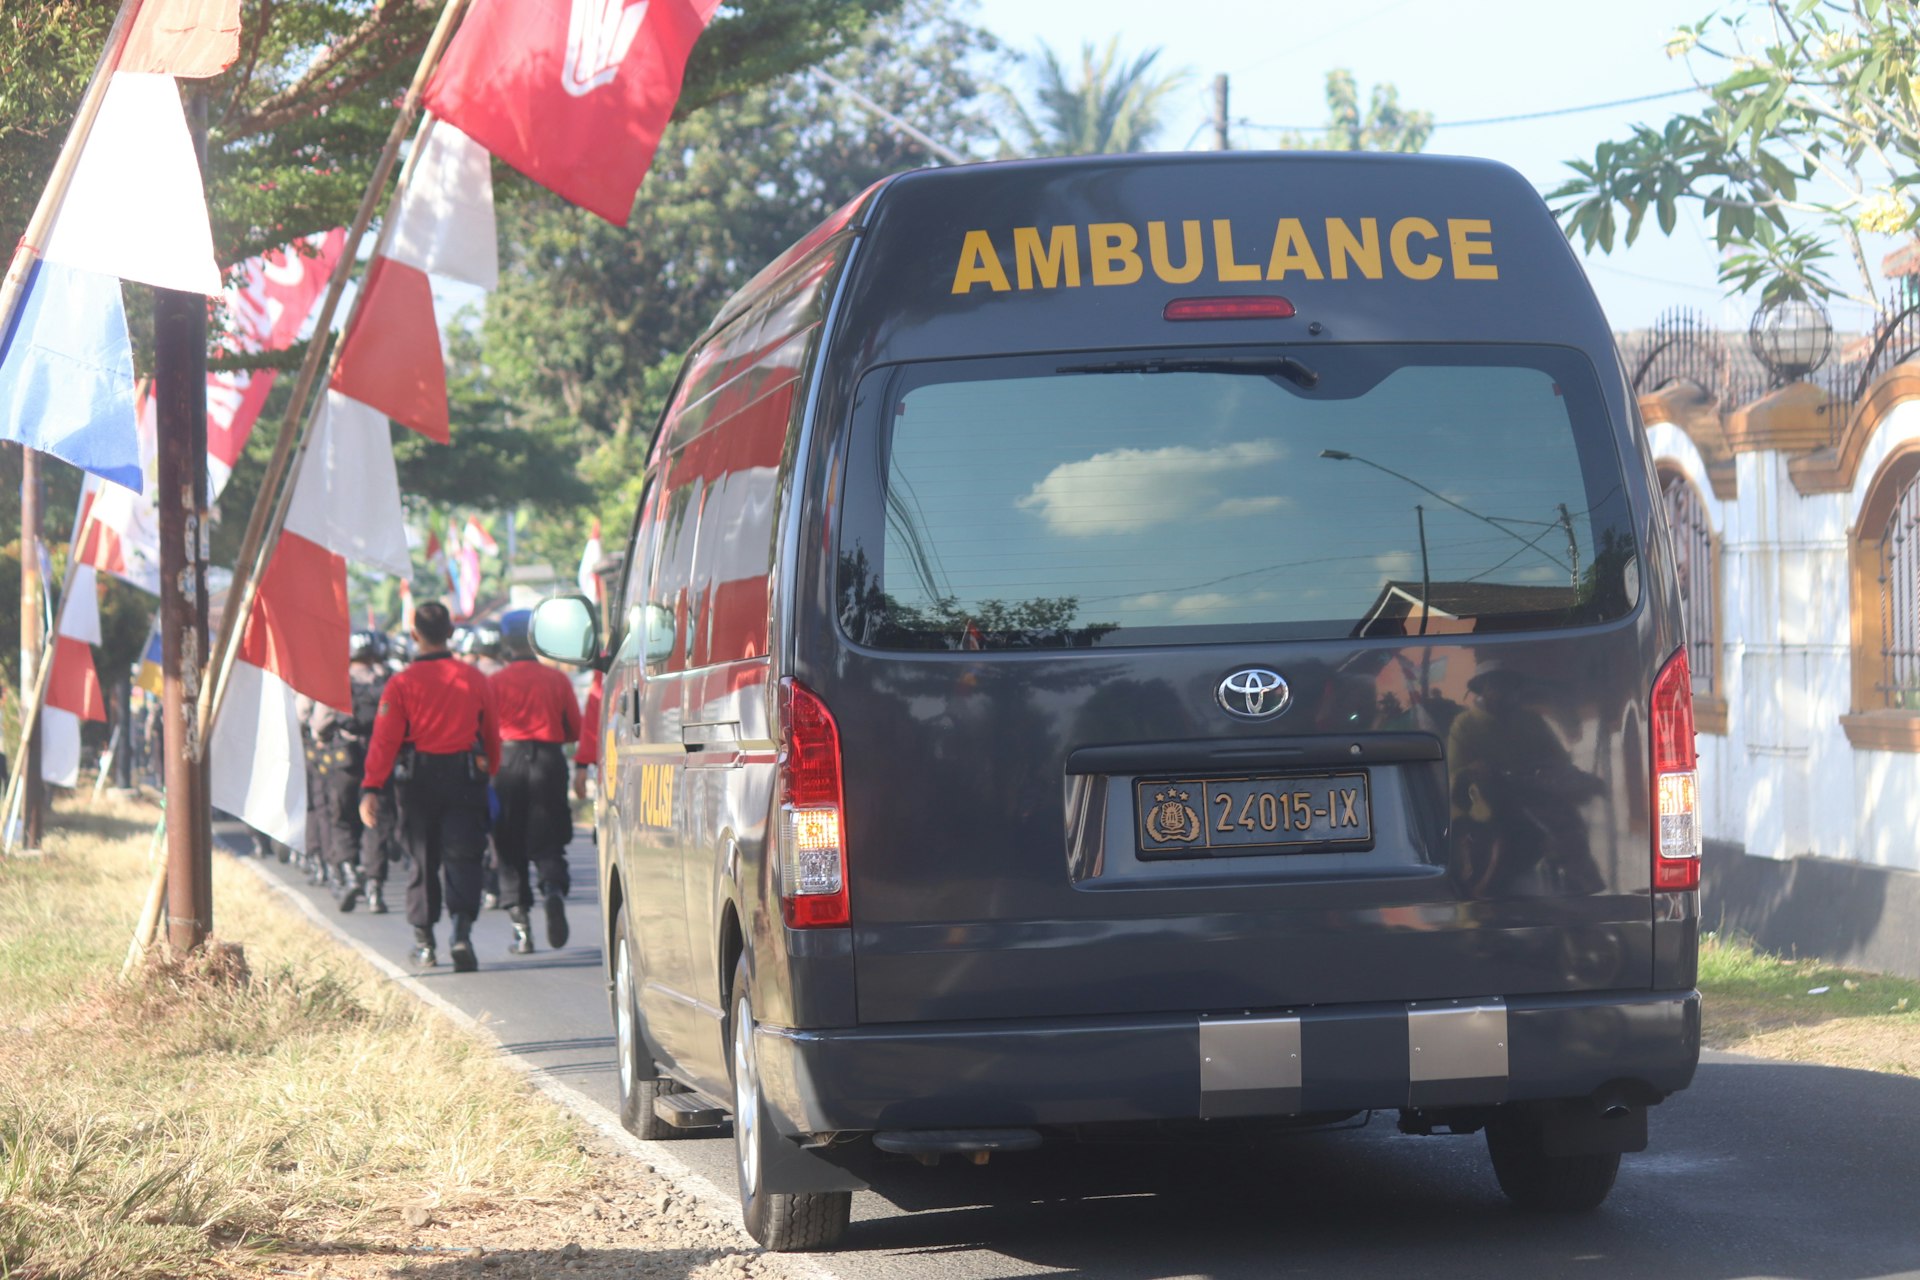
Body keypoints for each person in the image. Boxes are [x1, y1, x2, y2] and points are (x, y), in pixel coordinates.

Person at [358, 601, 501, 972]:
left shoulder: (401, 682)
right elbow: (491, 735)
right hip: (464, 779)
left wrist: (372, 787)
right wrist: (491, 773)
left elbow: (385, 739)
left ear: (415, 635)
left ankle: (425, 945)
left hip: (417, 781)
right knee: (464, 856)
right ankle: (461, 934)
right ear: (451, 633)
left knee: (421, 860)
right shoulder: (473, 678)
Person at [488, 610, 583, 954]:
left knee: (508, 843)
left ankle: (521, 929)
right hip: (548, 760)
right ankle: (553, 889)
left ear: (505, 643)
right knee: (550, 837)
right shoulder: (557, 680)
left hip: (507, 762)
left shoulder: (494, 682)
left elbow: (483, 731)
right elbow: (574, 727)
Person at [335, 630, 397, 914]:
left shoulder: (338, 682)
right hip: (380, 756)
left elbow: (320, 721)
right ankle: (375, 888)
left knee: (342, 818)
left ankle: (350, 874)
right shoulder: (385, 680)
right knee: (377, 821)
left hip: (345, 758)